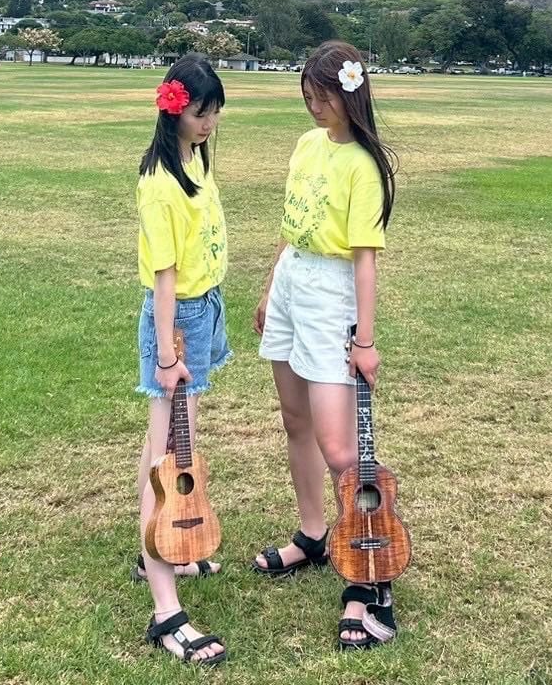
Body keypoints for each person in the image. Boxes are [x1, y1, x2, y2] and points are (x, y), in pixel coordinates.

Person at [252, 40, 400, 650]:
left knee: (341, 449)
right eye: (308, 97)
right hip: (294, 280)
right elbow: (291, 229)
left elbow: (365, 261)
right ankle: (314, 535)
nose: (314, 108)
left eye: (323, 98)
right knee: (296, 422)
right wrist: (270, 290)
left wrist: (364, 340)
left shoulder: (363, 166)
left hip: (333, 293)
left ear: (350, 95)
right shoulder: (307, 145)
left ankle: (370, 578)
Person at [135, 54, 230, 667]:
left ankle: (167, 552)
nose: (210, 122)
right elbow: (164, 276)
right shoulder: (159, 183)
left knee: (164, 447)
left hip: (205, 307)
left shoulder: (193, 159)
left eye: (216, 112)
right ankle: (165, 611)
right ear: (174, 110)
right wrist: (169, 354)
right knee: (167, 457)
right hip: (179, 319)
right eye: (201, 112)